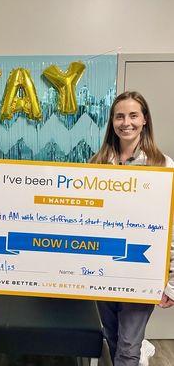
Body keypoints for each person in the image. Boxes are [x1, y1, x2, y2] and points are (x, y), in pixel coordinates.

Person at [90, 91, 174, 366]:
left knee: (127, 347)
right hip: (104, 268)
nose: (126, 122)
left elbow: (171, 226)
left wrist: (171, 282)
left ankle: (138, 351)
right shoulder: (97, 162)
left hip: (141, 268)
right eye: (119, 116)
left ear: (145, 119)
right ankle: (141, 351)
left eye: (133, 115)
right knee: (112, 337)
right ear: (112, 122)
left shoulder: (162, 166)